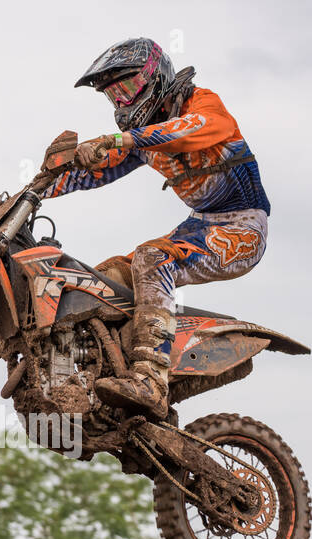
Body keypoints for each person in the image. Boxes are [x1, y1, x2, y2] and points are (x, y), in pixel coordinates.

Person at [44, 38, 271, 417]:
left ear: (156, 76)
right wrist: (35, 189)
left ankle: (150, 378)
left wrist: (121, 138)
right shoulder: (142, 138)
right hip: (197, 227)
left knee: (152, 258)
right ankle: (87, 382)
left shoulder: (202, 103)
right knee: (100, 278)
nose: (123, 101)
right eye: (113, 95)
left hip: (243, 228)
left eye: (128, 87)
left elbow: (195, 129)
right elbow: (96, 173)